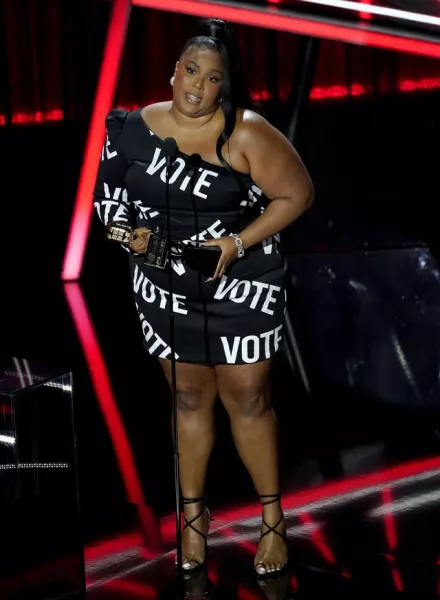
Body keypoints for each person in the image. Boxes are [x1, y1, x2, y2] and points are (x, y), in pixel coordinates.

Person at [93, 18, 313, 577]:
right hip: (165, 287)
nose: (197, 85)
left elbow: (297, 194)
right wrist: (129, 234)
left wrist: (237, 243)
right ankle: (193, 522)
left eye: (212, 78)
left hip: (240, 285)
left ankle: (272, 522)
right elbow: (108, 202)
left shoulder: (246, 132)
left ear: (224, 86)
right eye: (191, 71)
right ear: (173, 73)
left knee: (248, 399)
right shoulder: (130, 130)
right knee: (188, 399)